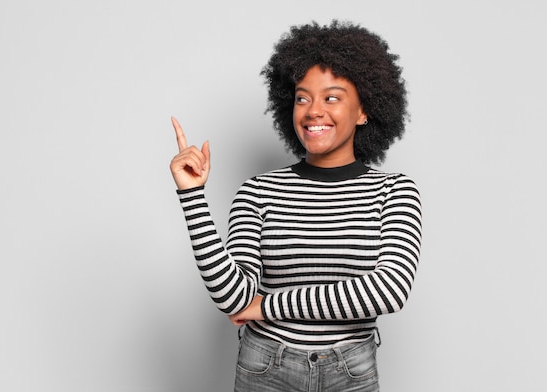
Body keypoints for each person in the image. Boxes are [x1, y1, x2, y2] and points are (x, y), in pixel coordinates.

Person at [169, 20, 422, 392]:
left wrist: (266, 307)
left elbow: (388, 290)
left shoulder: (394, 192)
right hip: (265, 368)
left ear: (363, 111)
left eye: (331, 98)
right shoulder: (258, 191)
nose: (313, 110)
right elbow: (235, 298)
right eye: (303, 98)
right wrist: (192, 196)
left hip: (350, 371)